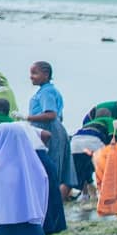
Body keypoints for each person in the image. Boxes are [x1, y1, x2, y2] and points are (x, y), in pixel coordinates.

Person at [25, 61, 76, 201]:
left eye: (35, 73)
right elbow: (59, 116)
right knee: (54, 169)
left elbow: (51, 114)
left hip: (48, 130)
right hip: (55, 129)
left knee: (47, 168)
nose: (31, 77)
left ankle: (48, 201)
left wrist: (27, 117)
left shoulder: (47, 92)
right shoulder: (48, 90)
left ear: (46, 74)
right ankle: (52, 201)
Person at [70, 108, 117, 202]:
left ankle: (85, 195)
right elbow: (113, 138)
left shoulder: (87, 124)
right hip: (93, 144)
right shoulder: (110, 120)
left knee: (83, 172)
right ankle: (106, 196)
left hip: (74, 145)